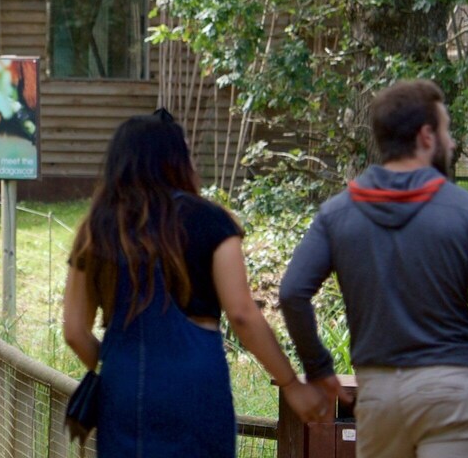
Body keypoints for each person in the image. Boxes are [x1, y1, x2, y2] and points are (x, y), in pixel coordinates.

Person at [279, 80, 468, 457]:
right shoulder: (466, 210)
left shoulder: (338, 213)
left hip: (378, 397)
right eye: (447, 131)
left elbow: (292, 293)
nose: (453, 143)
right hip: (452, 392)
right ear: (426, 136)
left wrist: (319, 369)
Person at [60, 110, 328, 457]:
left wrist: (117, 365)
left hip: (123, 387)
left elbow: (74, 331)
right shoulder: (210, 220)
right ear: (177, 161)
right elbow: (243, 315)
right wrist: (291, 383)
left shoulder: (96, 230)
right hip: (195, 384)